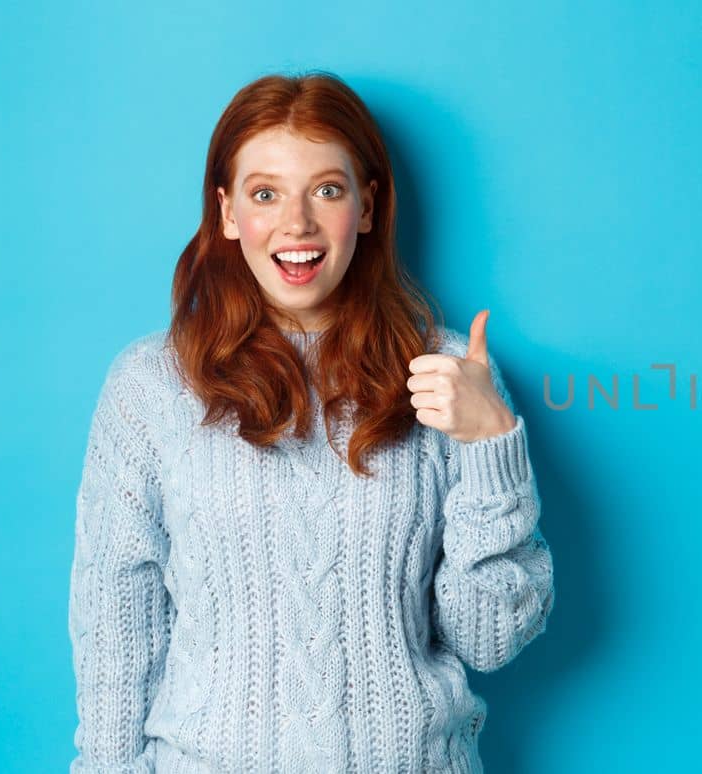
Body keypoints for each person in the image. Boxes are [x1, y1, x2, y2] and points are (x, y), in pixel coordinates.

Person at [67, 70, 554, 773]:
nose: (296, 223)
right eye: (266, 193)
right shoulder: (150, 386)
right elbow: (116, 635)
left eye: (327, 189)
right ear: (229, 212)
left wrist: (489, 445)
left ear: (365, 206)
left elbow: (489, 638)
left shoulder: (449, 373)